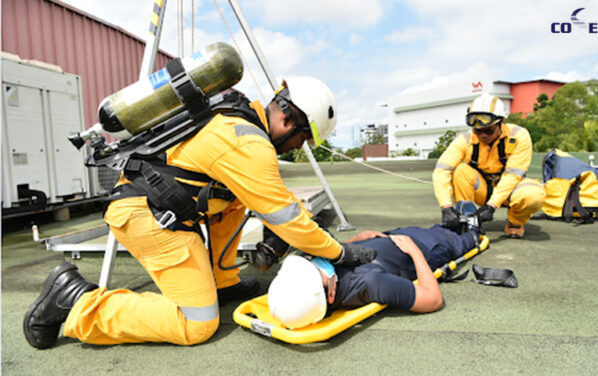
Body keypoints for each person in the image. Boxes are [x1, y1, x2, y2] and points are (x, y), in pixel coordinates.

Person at [23, 76, 376, 349]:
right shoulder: (249, 144)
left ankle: (222, 282)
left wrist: (289, 222)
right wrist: (340, 251)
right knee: (198, 325)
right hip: (149, 217)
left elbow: (272, 201)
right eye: (301, 138)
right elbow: (286, 218)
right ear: (287, 118)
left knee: (236, 199)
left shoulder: (236, 117)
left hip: (154, 205)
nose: (298, 147)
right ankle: (76, 303)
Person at [268, 224, 481, 329]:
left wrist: (355, 241)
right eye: (316, 271)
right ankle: (471, 230)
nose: (314, 264)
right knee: (462, 239)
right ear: (331, 296)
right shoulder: (371, 283)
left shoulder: (310, 279)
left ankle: (450, 226)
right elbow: (433, 300)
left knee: (438, 228)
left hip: (389, 237)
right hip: (427, 247)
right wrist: (414, 250)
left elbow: (332, 261)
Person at [432, 93, 546, 239]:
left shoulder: (519, 136)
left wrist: (491, 206)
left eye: (488, 130)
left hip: (510, 190)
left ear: (501, 122)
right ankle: (468, 218)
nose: (483, 135)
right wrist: (446, 207)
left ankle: (514, 222)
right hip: (483, 189)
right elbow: (442, 170)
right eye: (477, 130)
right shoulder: (465, 140)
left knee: (534, 195)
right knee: (460, 170)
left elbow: (513, 176)